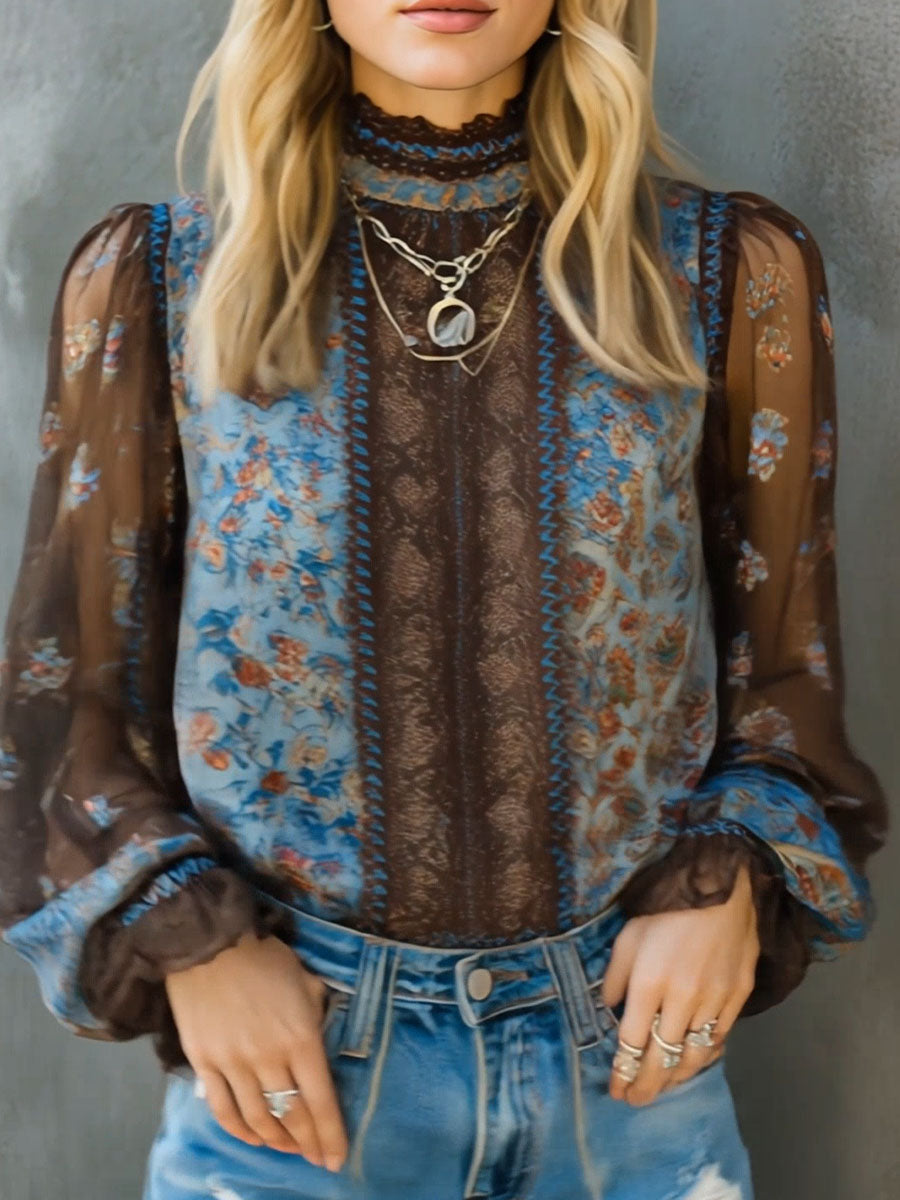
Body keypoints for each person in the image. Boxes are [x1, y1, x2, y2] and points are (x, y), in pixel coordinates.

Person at [0, 1, 889, 1197]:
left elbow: (784, 667)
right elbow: (70, 693)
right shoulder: (160, 279)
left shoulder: (725, 269)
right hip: (297, 1085)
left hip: (629, 1072)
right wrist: (192, 944)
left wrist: (731, 880)